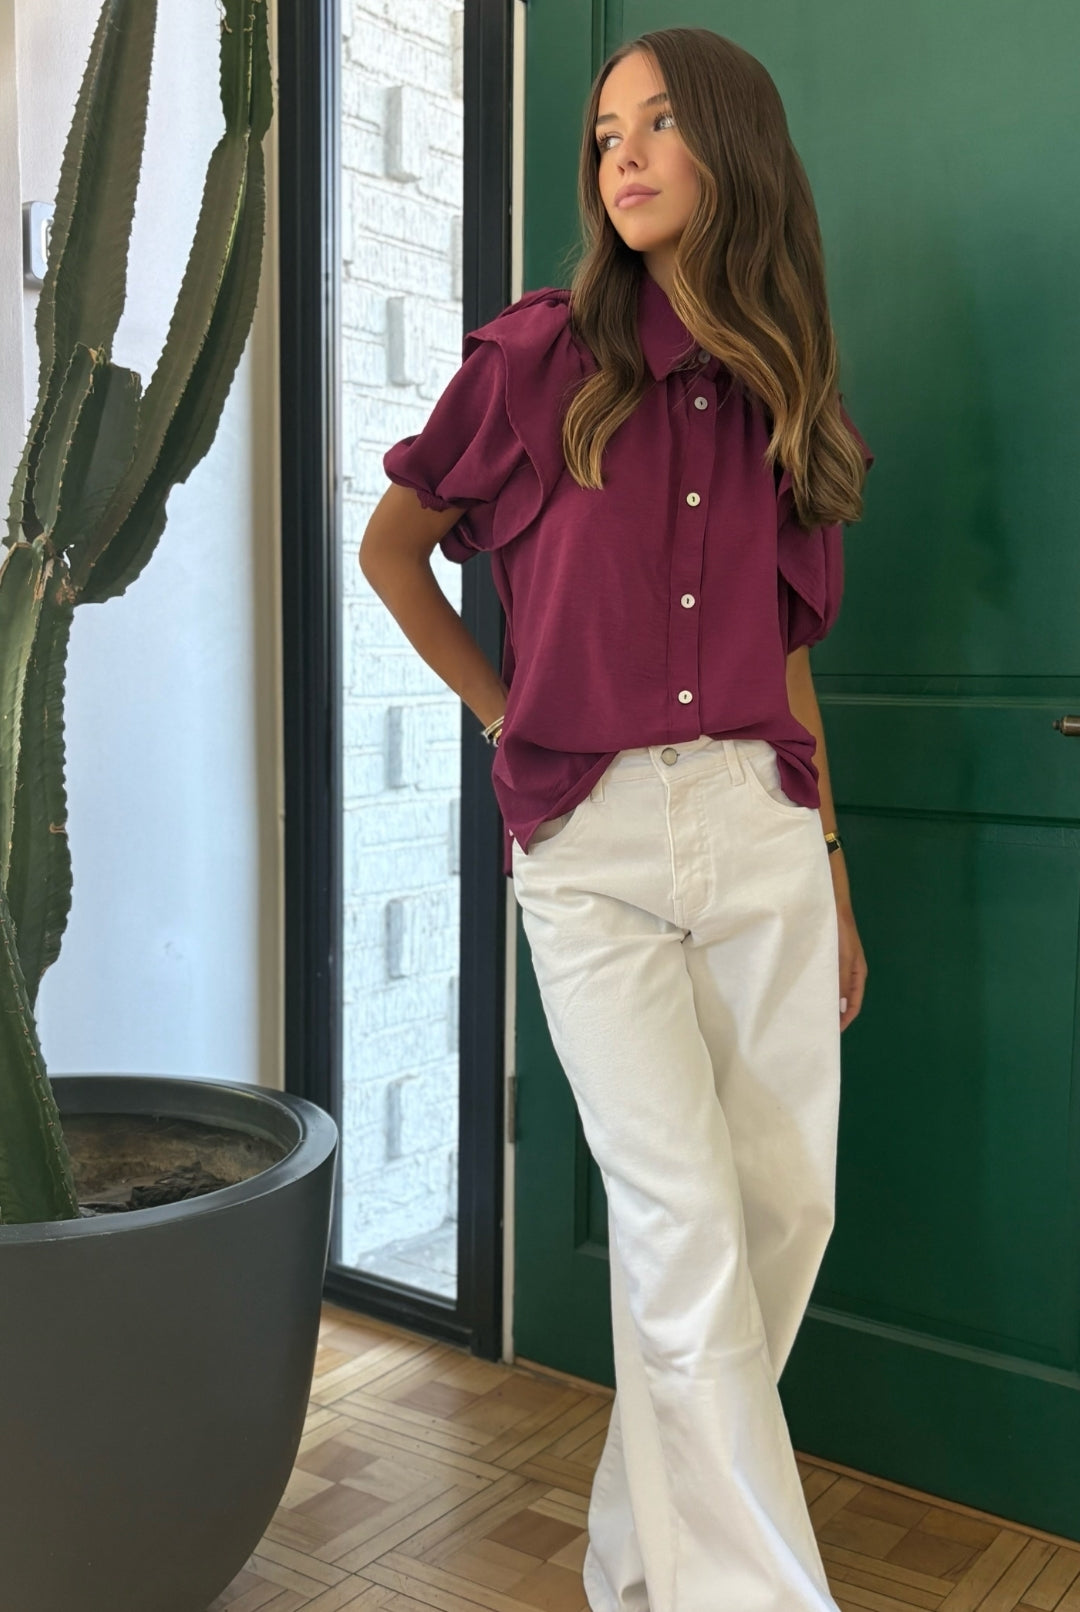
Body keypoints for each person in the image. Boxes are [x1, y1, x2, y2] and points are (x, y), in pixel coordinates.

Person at [360, 26, 874, 1612]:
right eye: (604, 133)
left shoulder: (784, 380)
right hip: (590, 841)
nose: (623, 155)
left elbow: (788, 653)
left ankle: (635, 1565)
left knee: (783, 1210)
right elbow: (392, 549)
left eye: (657, 124)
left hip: (763, 821)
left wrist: (836, 878)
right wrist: (502, 711)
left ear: (733, 143)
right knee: (682, 1230)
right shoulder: (534, 357)